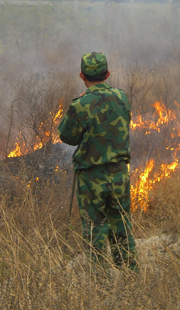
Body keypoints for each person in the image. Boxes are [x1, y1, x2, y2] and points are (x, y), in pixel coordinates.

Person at [58, 52, 138, 270]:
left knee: (95, 230)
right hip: (120, 172)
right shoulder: (122, 97)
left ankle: (100, 286)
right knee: (121, 224)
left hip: (92, 176)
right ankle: (130, 275)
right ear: (108, 74)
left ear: (82, 76)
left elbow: (67, 136)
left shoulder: (80, 105)